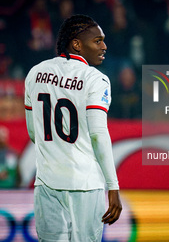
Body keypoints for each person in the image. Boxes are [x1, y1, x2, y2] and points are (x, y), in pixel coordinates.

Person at [24, 14, 122, 241]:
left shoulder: (35, 73)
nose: (104, 46)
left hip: (47, 183)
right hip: (86, 185)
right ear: (76, 44)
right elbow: (98, 134)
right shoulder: (96, 79)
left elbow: (33, 133)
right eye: (97, 40)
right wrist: (113, 186)